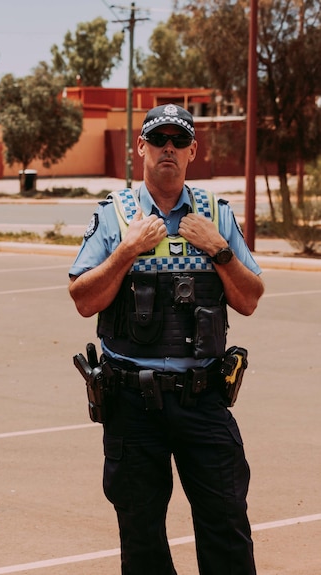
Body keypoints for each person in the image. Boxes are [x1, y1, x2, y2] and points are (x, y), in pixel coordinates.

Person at [68, 103, 265, 574]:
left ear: (193, 151)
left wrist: (217, 249)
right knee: (142, 536)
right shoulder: (115, 216)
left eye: (179, 141)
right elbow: (82, 298)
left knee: (226, 527)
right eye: (159, 141)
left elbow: (251, 298)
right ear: (141, 149)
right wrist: (127, 250)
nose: (169, 150)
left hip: (203, 399)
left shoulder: (216, 214)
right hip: (133, 404)